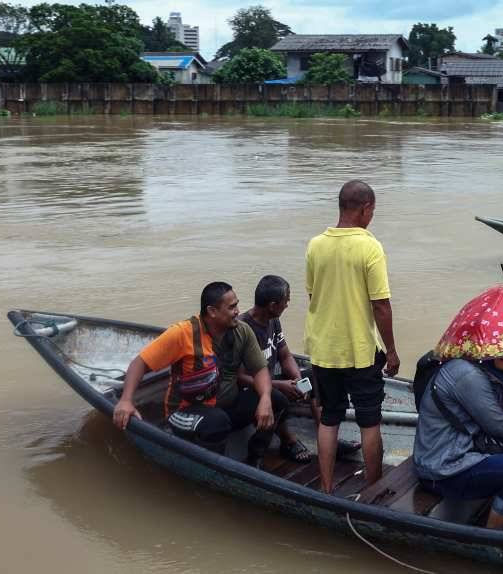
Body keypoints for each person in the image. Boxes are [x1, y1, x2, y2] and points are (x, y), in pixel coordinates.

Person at [112, 282, 288, 467]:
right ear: (212, 311)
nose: (238, 311)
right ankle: (213, 471)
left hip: (225, 409)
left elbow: (259, 369)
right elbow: (139, 364)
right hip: (185, 412)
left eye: (237, 305)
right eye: (232, 307)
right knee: (217, 422)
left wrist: (266, 398)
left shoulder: (242, 331)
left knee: (278, 400)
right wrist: (126, 400)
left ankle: (254, 459)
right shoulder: (182, 334)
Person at [305, 180, 401, 494]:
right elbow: (381, 306)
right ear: (364, 209)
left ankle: (326, 488)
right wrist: (392, 350)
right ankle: (373, 489)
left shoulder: (315, 245)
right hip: (360, 350)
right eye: (372, 210)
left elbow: (313, 296)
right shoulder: (369, 246)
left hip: (323, 349)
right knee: (369, 421)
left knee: (329, 418)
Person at [239, 274, 363, 463]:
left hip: (274, 382)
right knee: (278, 397)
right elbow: (239, 377)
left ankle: (328, 440)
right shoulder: (243, 329)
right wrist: (280, 385)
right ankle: (288, 441)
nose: (287, 305)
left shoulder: (273, 321)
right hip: (252, 390)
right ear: (273, 305)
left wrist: (298, 381)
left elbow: (285, 355)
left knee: (315, 379)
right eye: (285, 301)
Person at [414, 356, 503, 530]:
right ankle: (492, 537)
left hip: (469, 447)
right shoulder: (467, 375)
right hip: (445, 468)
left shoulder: (480, 369)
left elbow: (488, 419)